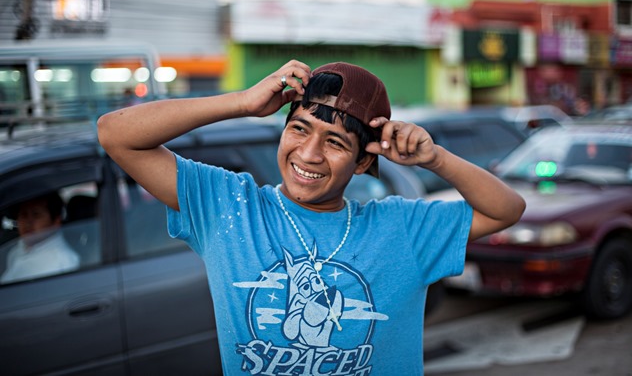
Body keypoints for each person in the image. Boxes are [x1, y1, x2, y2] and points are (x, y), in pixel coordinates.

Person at [97, 60, 525, 374]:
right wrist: (242, 102)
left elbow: (507, 209)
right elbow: (115, 134)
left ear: (361, 164)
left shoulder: (399, 229)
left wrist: (435, 159)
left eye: (335, 142)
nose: (308, 154)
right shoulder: (231, 207)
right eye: (299, 129)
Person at [1, 193, 80, 284]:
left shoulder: (62, 263)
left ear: (56, 221)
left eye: (36, 215)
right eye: (24, 214)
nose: (28, 222)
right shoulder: (17, 249)